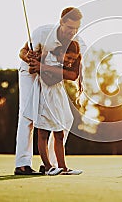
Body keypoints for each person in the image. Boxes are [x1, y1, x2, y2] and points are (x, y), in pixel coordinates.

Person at [14, 7, 86, 175]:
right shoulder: (42, 32)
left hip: (53, 78)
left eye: (76, 28)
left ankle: (53, 164)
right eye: (69, 27)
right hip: (29, 72)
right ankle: (22, 164)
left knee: (66, 119)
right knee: (28, 114)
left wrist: (44, 67)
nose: (72, 32)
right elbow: (22, 51)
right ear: (61, 22)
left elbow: (72, 74)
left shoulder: (79, 43)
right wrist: (29, 58)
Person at [31, 40, 83, 175]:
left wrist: (45, 68)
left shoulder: (59, 64)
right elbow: (48, 80)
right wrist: (42, 66)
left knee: (59, 134)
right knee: (43, 133)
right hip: (45, 98)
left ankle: (62, 167)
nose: (70, 62)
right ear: (61, 52)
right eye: (69, 58)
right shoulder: (47, 57)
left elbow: (62, 77)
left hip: (57, 98)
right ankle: (47, 166)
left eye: (73, 59)